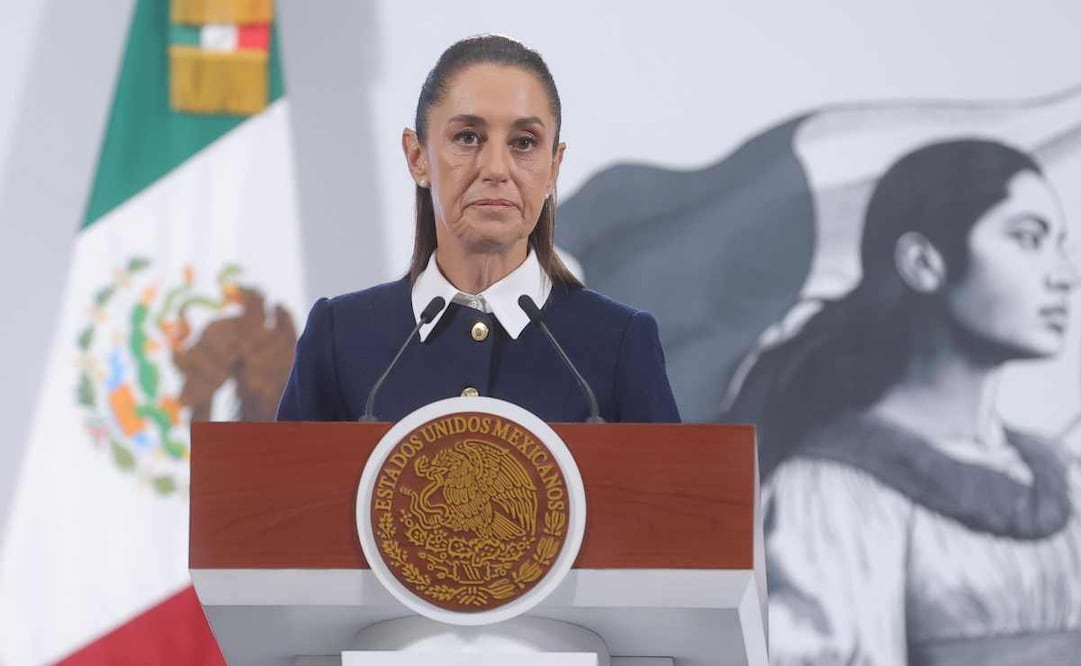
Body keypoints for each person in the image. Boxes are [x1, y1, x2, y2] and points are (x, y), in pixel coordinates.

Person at [726, 140, 1081, 664]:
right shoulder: (834, 491)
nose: (1064, 274)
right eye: (1028, 239)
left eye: (1061, 244)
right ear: (924, 262)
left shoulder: (1064, 472)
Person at [277, 35, 679, 424]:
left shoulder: (617, 341)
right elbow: (278, 493)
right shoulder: (340, 336)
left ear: (553, 168)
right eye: (467, 137)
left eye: (524, 142)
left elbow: (672, 494)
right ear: (417, 157)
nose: (496, 169)